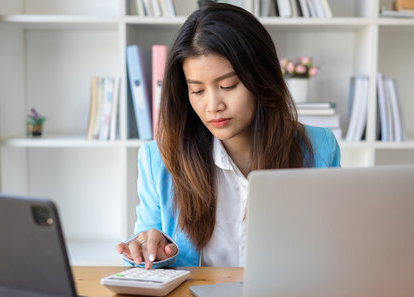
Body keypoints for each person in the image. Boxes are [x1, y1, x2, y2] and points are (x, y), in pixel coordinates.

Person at [116, 2, 340, 269]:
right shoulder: (159, 159)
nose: (213, 105)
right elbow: (144, 259)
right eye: (197, 91)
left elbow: (332, 253)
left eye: (228, 85)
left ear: (262, 78)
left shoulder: (319, 148)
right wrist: (151, 249)